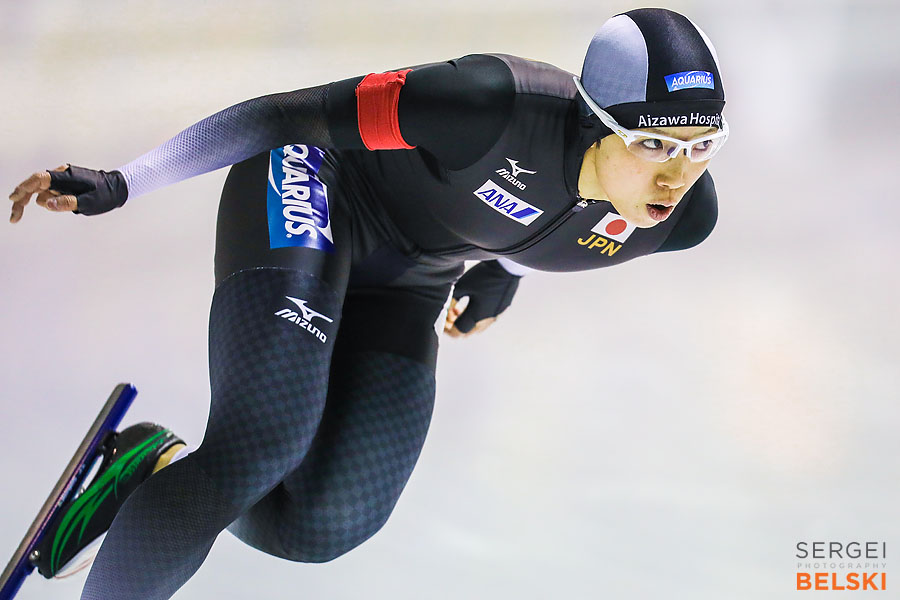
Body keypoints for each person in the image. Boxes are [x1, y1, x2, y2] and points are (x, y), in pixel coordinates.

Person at [7, 7, 728, 599]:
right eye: (655, 142)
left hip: (413, 274)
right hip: (318, 190)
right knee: (261, 447)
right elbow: (289, 117)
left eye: (703, 148)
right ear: (594, 118)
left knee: (322, 524)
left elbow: (550, 219)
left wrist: (506, 271)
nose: (676, 175)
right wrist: (128, 180)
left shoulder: (680, 221)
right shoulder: (485, 107)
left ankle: (152, 470)